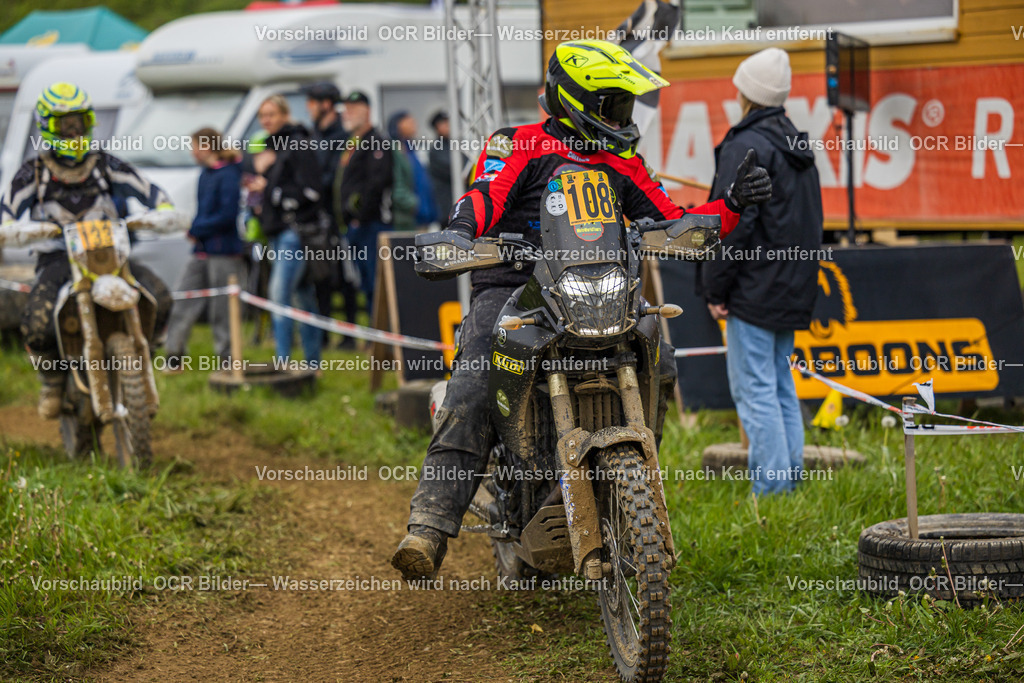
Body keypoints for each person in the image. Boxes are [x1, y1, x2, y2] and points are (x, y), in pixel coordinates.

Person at [391, 40, 772, 580]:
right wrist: (459, 232)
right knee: (473, 383)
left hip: (598, 283)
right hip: (514, 284)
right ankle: (429, 525)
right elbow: (485, 196)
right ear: (573, 100)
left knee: (655, 351)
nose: (624, 115)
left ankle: (628, 490)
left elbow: (671, 220)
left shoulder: (622, 161)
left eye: (626, 104)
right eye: (613, 104)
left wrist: (729, 206)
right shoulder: (517, 143)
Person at [0, 82, 176, 418]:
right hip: (58, 259)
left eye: (79, 122)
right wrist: (10, 228)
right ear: (47, 126)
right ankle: (52, 379)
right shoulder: (33, 172)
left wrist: (164, 210)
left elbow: (149, 190)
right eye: (65, 124)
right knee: (37, 321)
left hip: (109, 255)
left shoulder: (105, 163)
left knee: (161, 297)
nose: (73, 130)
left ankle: (145, 351)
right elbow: (7, 208)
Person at [700, 48, 823, 496]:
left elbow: (730, 226)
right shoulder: (796, 145)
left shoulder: (745, 146)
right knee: (779, 387)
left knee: (755, 393)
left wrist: (715, 287)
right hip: (791, 288)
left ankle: (772, 493)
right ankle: (788, 483)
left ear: (747, 93)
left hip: (754, 290)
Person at [243, 94, 324, 365]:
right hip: (276, 232)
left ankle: (284, 363)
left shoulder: (299, 144)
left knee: (279, 296)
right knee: (303, 296)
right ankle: (313, 363)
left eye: (272, 114)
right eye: (263, 116)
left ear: (285, 115)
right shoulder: (272, 148)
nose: (267, 120)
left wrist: (272, 190)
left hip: (295, 232)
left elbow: (312, 191)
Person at [163, 128, 246, 370]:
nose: (192, 152)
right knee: (182, 299)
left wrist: (197, 228)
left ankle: (228, 361)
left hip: (224, 252)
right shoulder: (205, 175)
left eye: (195, 146)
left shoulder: (229, 174)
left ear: (207, 146)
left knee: (223, 309)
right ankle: (174, 356)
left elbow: (227, 215)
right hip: (201, 251)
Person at [303, 81, 360, 347]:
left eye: (312, 101)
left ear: (326, 104)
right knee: (321, 278)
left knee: (346, 279)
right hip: (317, 220)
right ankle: (323, 334)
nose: (308, 107)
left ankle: (349, 335)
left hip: (338, 221)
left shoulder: (343, 135)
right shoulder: (313, 134)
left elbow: (333, 178)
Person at [334, 91, 393, 306]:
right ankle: (373, 336)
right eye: (345, 109)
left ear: (367, 111)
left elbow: (377, 185)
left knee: (376, 284)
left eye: (352, 109)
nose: (346, 114)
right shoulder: (352, 144)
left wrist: (360, 214)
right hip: (354, 226)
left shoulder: (377, 141)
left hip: (372, 225)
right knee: (364, 283)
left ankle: (382, 336)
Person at [388, 110, 438, 227]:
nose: (414, 124)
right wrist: (415, 206)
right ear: (398, 125)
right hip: (407, 218)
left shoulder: (411, 150)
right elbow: (397, 185)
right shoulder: (396, 151)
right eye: (409, 121)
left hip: (422, 217)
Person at [427, 110, 456, 227]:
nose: (448, 126)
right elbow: (453, 170)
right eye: (444, 123)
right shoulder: (436, 149)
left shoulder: (455, 145)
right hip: (446, 208)